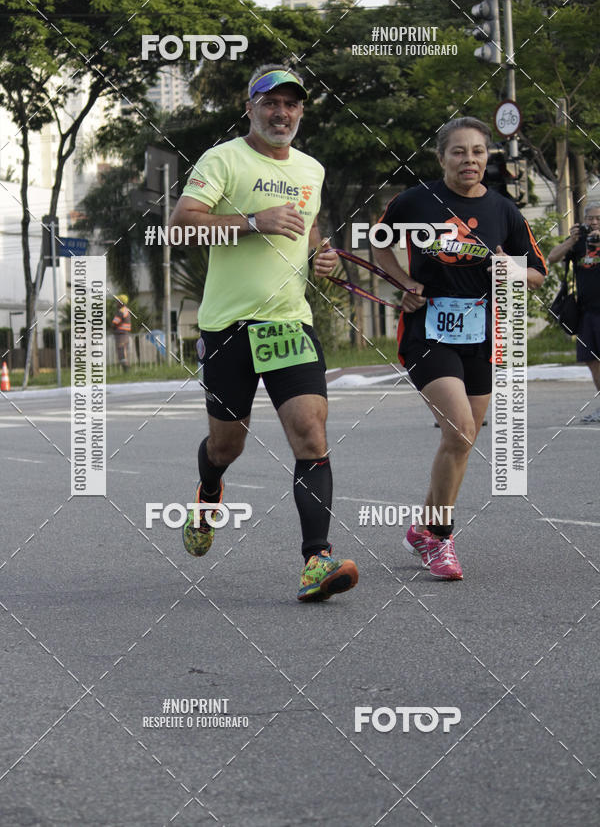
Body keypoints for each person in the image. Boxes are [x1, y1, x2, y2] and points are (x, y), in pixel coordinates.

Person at [168, 63, 358, 602]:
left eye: (292, 103)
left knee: (311, 433)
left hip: (287, 323)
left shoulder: (311, 169)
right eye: (271, 102)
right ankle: (209, 490)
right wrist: (254, 221)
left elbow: (309, 227)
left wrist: (322, 257)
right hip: (228, 327)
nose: (282, 112)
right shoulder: (224, 158)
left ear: (301, 110)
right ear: (249, 107)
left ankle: (316, 559)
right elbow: (181, 224)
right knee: (228, 446)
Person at [372, 117, 547, 580]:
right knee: (460, 429)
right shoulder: (414, 202)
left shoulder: (503, 211)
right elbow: (378, 244)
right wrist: (404, 282)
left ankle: (424, 527)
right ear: (441, 157)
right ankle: (441, 539)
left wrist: (507, 268)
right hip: (427, 331)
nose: (469, 160)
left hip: (484, 334)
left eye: (477, 152)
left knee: (464, 438)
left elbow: (537, 274)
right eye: (459, 152)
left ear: (487, 157)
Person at [548, 203, 600, 422]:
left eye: (598, 218)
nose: (594, 222)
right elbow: (552, 258)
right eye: (590, 218)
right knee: (591, 360)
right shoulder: (579, 243)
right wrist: (571, 240)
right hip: (587, 311)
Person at [111, 294, 131, 371]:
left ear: (121, 302)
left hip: (121, 335)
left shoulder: (121, 312)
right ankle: (127, 370)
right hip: (125, 335)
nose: (116, 303)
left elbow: (114, 323)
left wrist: (112, 327)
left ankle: (126, 370)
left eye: (117, 301)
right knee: (124, 352)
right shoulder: (126, 311)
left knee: (121, 352)